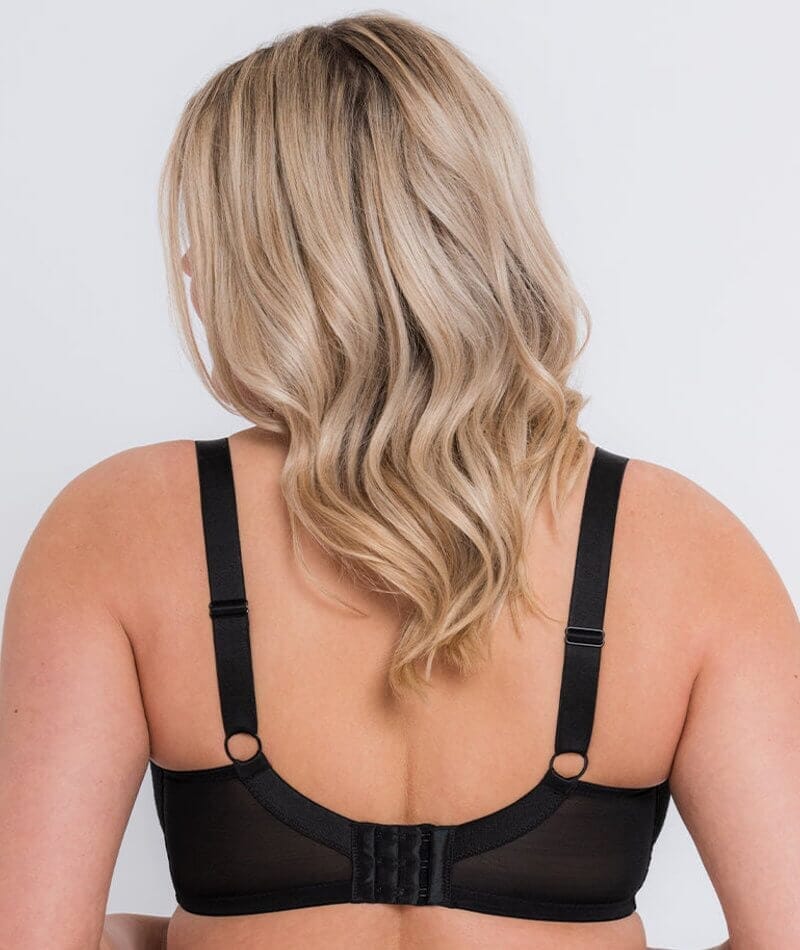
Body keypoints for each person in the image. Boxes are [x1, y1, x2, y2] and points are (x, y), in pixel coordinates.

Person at [1, 12, 797, 950]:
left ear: (266, 260)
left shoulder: (119, 526)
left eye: (208, 233)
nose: (187, 266)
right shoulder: (687, 549)